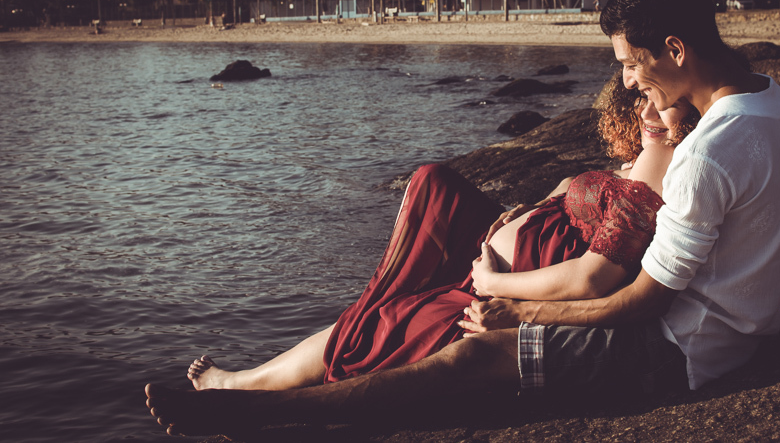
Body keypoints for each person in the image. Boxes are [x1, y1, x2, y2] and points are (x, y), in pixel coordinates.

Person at [146, 0, 780, 436]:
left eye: (632, 64)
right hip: (732, 324)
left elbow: (641, 302)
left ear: (676, 50)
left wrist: (515, 311)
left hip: (681, 349)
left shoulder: (711, 150)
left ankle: (255, 414)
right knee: (428, 275)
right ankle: (274, 383)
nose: (628, 81)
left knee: (473, 356)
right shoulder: (767, 100)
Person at [183, 72, 697, 393]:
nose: (646, 108)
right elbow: (591, 196)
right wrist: (533, 205)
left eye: (657, 98)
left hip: (506, 285)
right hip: (506, 261)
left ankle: (239, 385)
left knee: (384, 321)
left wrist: (496, 285)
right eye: (640, 95)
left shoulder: (668, 156)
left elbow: (593, 279)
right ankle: (250, 377)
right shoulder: (652, 149)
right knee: (432, 183)